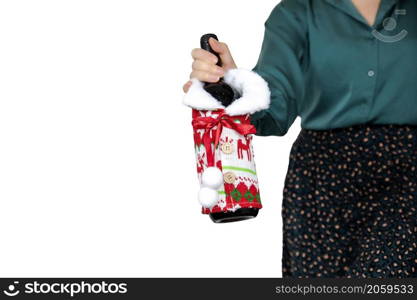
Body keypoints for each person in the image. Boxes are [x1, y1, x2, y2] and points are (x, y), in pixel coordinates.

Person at [183, 0, 417, 278]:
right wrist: (232, 86)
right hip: (322, 179)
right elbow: (273, 111)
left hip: (408, 175)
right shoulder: (296, 13)